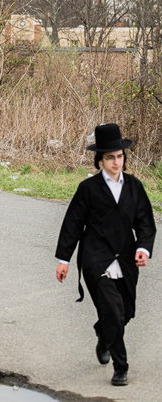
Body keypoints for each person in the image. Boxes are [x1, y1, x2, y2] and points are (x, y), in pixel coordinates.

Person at [55, 123, 156, 388]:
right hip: (95, 258)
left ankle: (103, 332)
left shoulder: (134, 186)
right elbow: (72, 224)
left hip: (125, 256)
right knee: (113, 310)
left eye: (119, 156)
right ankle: (120, 367)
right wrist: (64, 260)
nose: (116, 161)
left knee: (125, 312)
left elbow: (145, 222)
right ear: (99, 161)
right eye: (110, 157)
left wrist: (143, 248)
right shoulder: (88, 189)